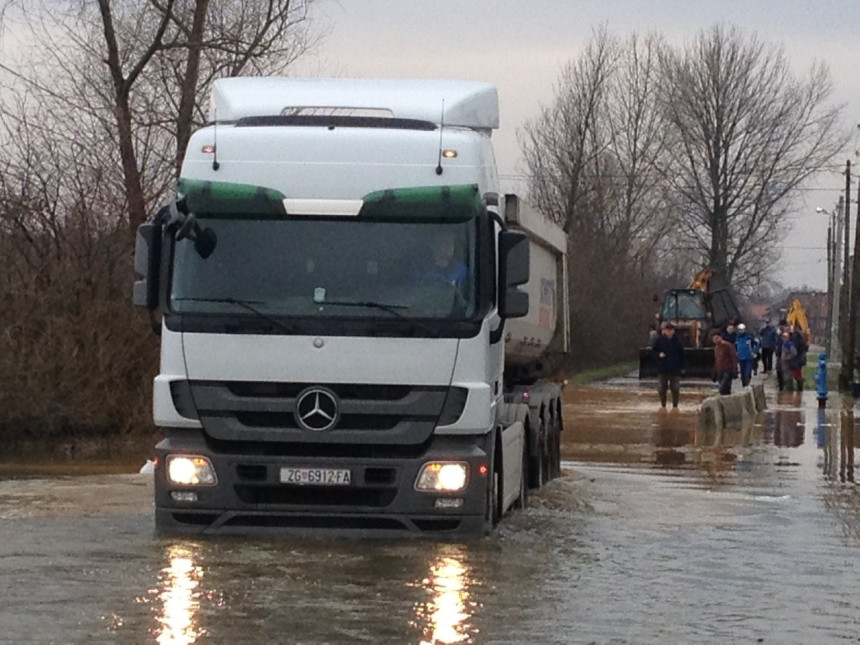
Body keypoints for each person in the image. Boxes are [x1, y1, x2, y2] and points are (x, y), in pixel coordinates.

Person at [652, 321, 685, 409]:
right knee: (662, 388)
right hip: (662, 368)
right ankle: (663, 405)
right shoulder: (659, 341)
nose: (668, 331)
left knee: (675, 388)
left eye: (669, 330)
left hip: (675, 369)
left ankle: (675, 406)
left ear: (673, 331)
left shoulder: (677, 342)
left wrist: (682, 367)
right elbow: (653, 351)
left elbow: (682, 355)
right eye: (666, 329)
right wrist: (658, 355)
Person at [712, 330, 739, 395]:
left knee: (723, 387)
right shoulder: (716, 348)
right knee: (723, 389)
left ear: (721, 337)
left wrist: (735, 370)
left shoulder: (727, 345)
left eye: (717, 338)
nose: (715, 340)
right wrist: (714, 372)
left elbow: (733, 357)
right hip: (719, 370)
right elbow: (716, 360)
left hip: (727, 370)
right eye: (714, 339)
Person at [734, 323, 758, 387]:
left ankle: (747, 383)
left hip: (748, 357)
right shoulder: (737, 338)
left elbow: (757, 344)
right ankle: (744, 384)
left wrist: (754, 351)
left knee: (748, 372)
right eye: (740, 330)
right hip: (740, 357)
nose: (741, 331)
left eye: (743, 330)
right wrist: (736, 353)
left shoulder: (749, 337)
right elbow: (735, 347)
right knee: (742, 373)